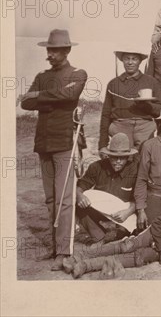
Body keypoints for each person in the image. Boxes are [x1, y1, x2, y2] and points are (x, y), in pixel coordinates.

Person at [20, 29, 88, 269]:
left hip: (65, 143)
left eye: (54, 50)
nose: (49, 54)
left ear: (67, 51)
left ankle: (64, 251)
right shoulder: (42, 75)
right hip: (44, 144)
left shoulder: (78, 74)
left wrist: (39, 95)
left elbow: (70, 95)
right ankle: (54, 246)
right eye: (48, 50)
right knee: (50, 199)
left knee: (65, 199)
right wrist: (47, 95)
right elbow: (25, 101)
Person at [63, 182, 161, 278]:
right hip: (157, 234)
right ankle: (79, 256)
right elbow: (159, 224)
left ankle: (86, 265)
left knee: (139, 257)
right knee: (128, 245)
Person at [76, 133, 139, 245]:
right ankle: (99, 236)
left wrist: (128, 212)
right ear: (108, 155)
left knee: (138, 220)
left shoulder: (136, 170)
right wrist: (79, 195)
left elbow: (142, 196)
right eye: (114, 157)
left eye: (122, 158)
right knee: (79, 205)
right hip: (102, 208)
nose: (118, 161)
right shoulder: (97, 167)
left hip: (126, 211)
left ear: (128, 157)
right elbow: (81, 186)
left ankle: (123, 233)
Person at [99, 49, 161, 151]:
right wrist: (102, 143)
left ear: (140, 61)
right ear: (122, 61)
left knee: (144, 159)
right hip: (120, 125)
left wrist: (147, 106)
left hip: (145, 127)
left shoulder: (152, 82)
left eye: (134, 59)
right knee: (122, 159)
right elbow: (106, 113)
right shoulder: (114, 83)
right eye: (127, 59)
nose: (130, 62)